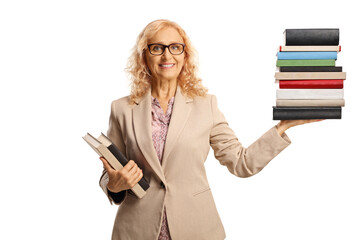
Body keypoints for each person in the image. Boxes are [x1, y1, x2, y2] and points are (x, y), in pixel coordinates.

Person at [99, 19, 321, 240]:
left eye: (175, 47)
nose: (167, 55)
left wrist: (284, 126)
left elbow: (241, 163)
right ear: (144, 57)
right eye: (157, 48)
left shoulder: (206, 105)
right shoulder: (121, 109)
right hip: (137, 230)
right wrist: (114, 184)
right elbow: (109, 172)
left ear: (185, 56)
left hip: (195, 228)